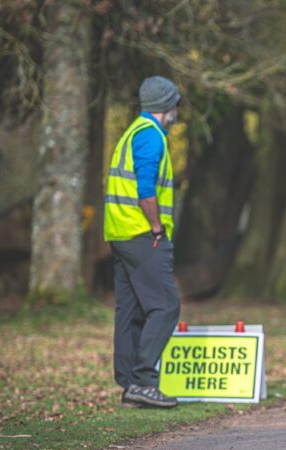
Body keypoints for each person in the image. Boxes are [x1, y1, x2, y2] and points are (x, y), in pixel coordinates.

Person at [104, 76, 182, 407]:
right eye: (176, 103)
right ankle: (146, 379)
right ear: (167, 106)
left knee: (131, 311)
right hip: (141, 234)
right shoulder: (151, 137)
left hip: (120, 233)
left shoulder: (133, 131)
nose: (178, 110)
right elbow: (145, 190)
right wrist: (156, 228)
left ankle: (130, 386)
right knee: (165, 306)